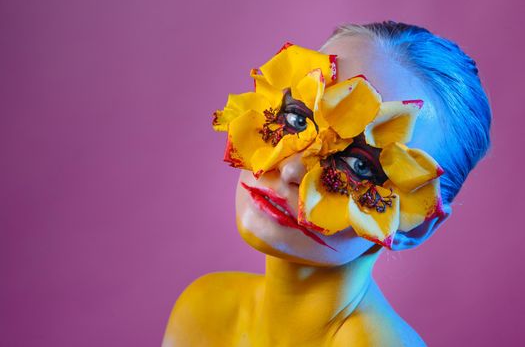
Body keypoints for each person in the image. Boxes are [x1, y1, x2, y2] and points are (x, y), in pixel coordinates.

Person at [162, 21, 491, 347]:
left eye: (359, 165)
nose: (291, 168)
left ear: (415, 226)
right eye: (296, 118)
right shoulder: (204, 309)